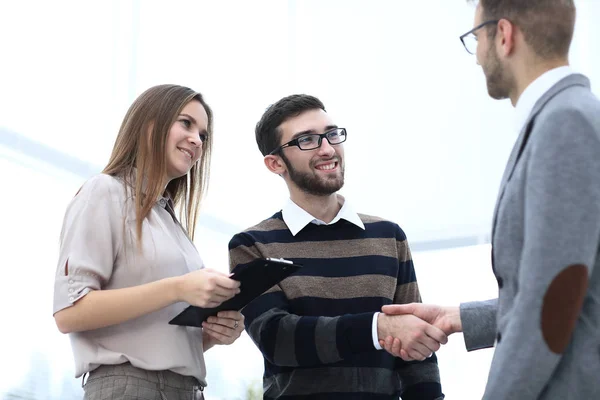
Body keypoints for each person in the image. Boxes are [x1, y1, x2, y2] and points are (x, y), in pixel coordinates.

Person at [381, 1, 600, 399]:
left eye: (476, 39)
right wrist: (458, 317)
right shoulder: (567, 117)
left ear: (503, 35)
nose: (478, 56)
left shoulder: (564, 123)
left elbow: (552, 303)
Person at [228, 94, 447, 399]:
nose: (328, 148)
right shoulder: (252, 245)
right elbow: (278, 339)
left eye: (332, 134)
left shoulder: (389, 237)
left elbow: (417, 352)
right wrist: (377, 328)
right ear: (275, 163)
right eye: (307, 140)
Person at [52, 84, 245, 400]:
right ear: (149, 126)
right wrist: (177, 288)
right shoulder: (105, 192)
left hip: (186, 390)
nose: (197, 140)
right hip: (131, 388)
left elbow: (156, 336)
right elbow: (69, 313)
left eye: (203, 135)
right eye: (186, 123)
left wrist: (209, 335)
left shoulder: (169, 221)